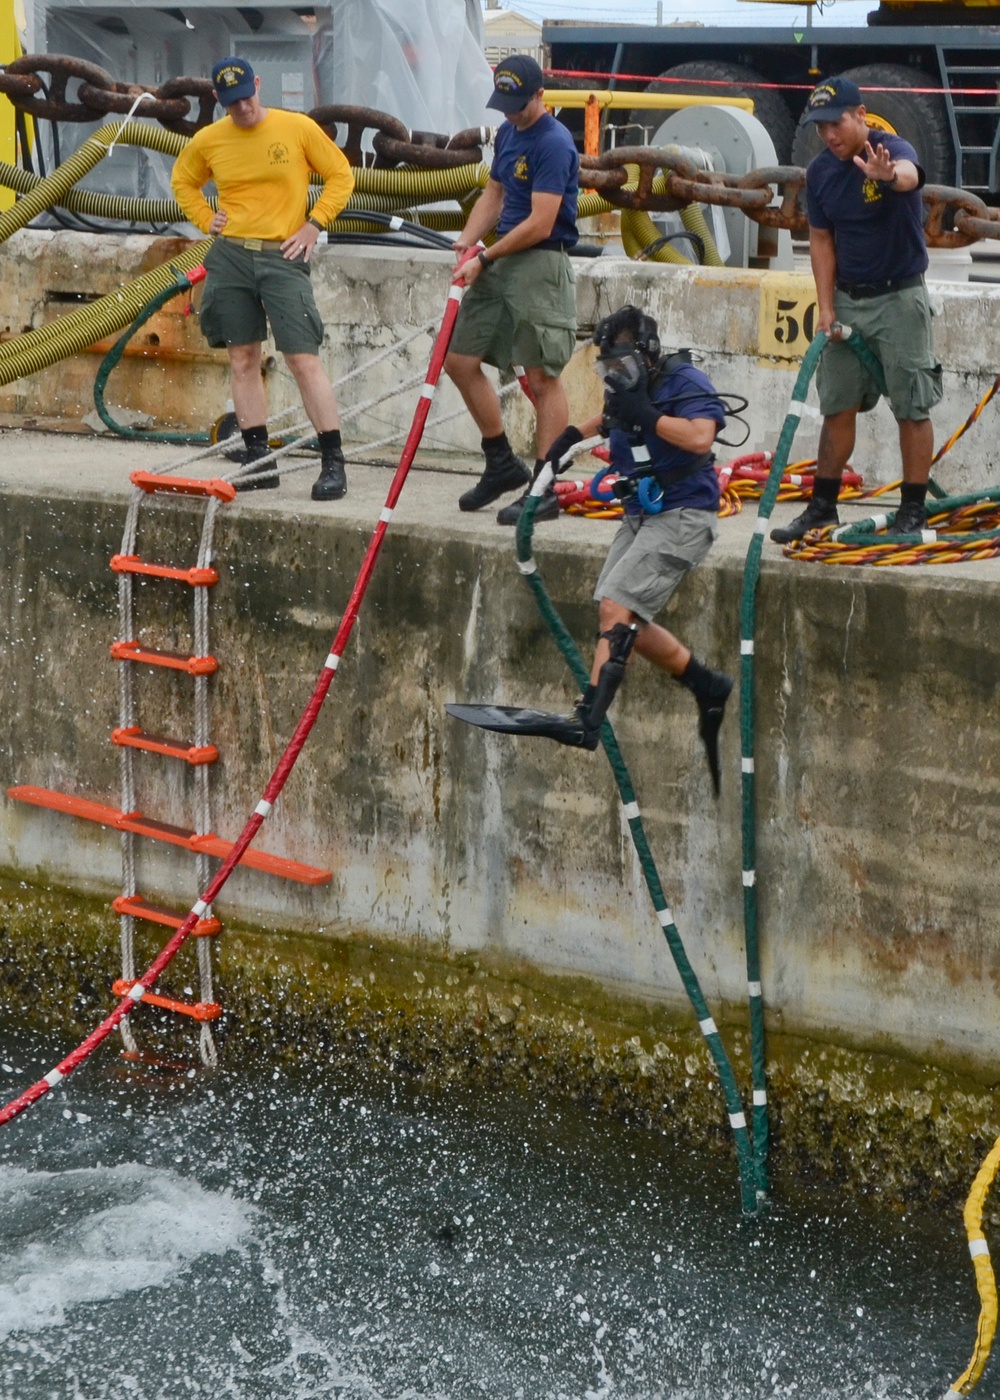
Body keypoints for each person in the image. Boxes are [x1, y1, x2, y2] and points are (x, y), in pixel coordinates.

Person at [448, 305, 734, 794]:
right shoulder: (625, 387)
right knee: (621, 620)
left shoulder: (684, 381)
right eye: (607, 369)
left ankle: (588, 721)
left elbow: (700, 434)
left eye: (621, 368)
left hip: (684, 514)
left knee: (615, 607)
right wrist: (567, 440)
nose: (614, 377)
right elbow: (608, 419)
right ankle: (705, 683)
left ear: (647, 357)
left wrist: (651, 416)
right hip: (641, 514)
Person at [171, 58, 355, 501]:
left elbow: (340, 175)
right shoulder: (210, 140)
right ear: (219, 100)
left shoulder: (297, 128)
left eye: (248, 98)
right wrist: (204, 218)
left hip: (282, 254)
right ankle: (259, 460)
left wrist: (315, 224)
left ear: (258, 85)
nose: (244, 108)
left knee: (301, 356)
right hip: (232, 254)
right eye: (233, 104)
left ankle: (332, 461)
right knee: (242, 357)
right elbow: (183, 181)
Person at [770, 75, 942, 545]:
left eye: (838, 123)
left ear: (861, 116)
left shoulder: (891, 149)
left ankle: (913, 509)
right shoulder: (822, 173)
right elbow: (821, 241)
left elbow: (909, 174)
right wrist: (825, 308)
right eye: (822, 127)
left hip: (899, 299)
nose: (830, 135)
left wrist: (888, 177)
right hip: (848, 300)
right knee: (837, 405)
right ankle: (822, 506)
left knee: (911, 405)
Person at [445, 54, 579, 525]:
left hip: (538, 262)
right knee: (459, 360)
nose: (510, 113)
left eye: (519, 105)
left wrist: (484, 256)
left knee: (543, 378)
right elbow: (495, 194)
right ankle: (501, 461)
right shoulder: (507, 133)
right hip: (500, 256)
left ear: (540, 95)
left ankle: (544, 488)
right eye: (504, 104)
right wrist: (467, 238)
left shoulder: (555, 142)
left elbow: (541, 223)